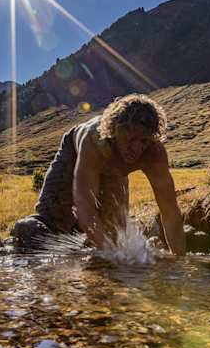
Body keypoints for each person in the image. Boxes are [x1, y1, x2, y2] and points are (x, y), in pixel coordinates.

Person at [12, 94, 186, 255]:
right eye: (130, 139)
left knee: (115, 232)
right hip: (73, 154)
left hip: (114, 171)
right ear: (115, 131)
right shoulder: (94, 140)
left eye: (143, 141)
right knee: (52, 219)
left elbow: (170, 212)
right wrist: (112, 256)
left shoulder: (154, 153)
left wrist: (180, 262)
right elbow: (84, 204)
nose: (136, 148)